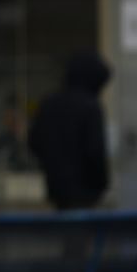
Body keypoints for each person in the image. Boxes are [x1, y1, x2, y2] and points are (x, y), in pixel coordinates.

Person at [28, 50, 112, 210]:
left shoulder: (49, 103)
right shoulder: (90, 107)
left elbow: (34, 142)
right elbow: (95, 151)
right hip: (87, 192)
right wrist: (101, 184)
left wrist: (52, 165)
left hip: (56, 190)